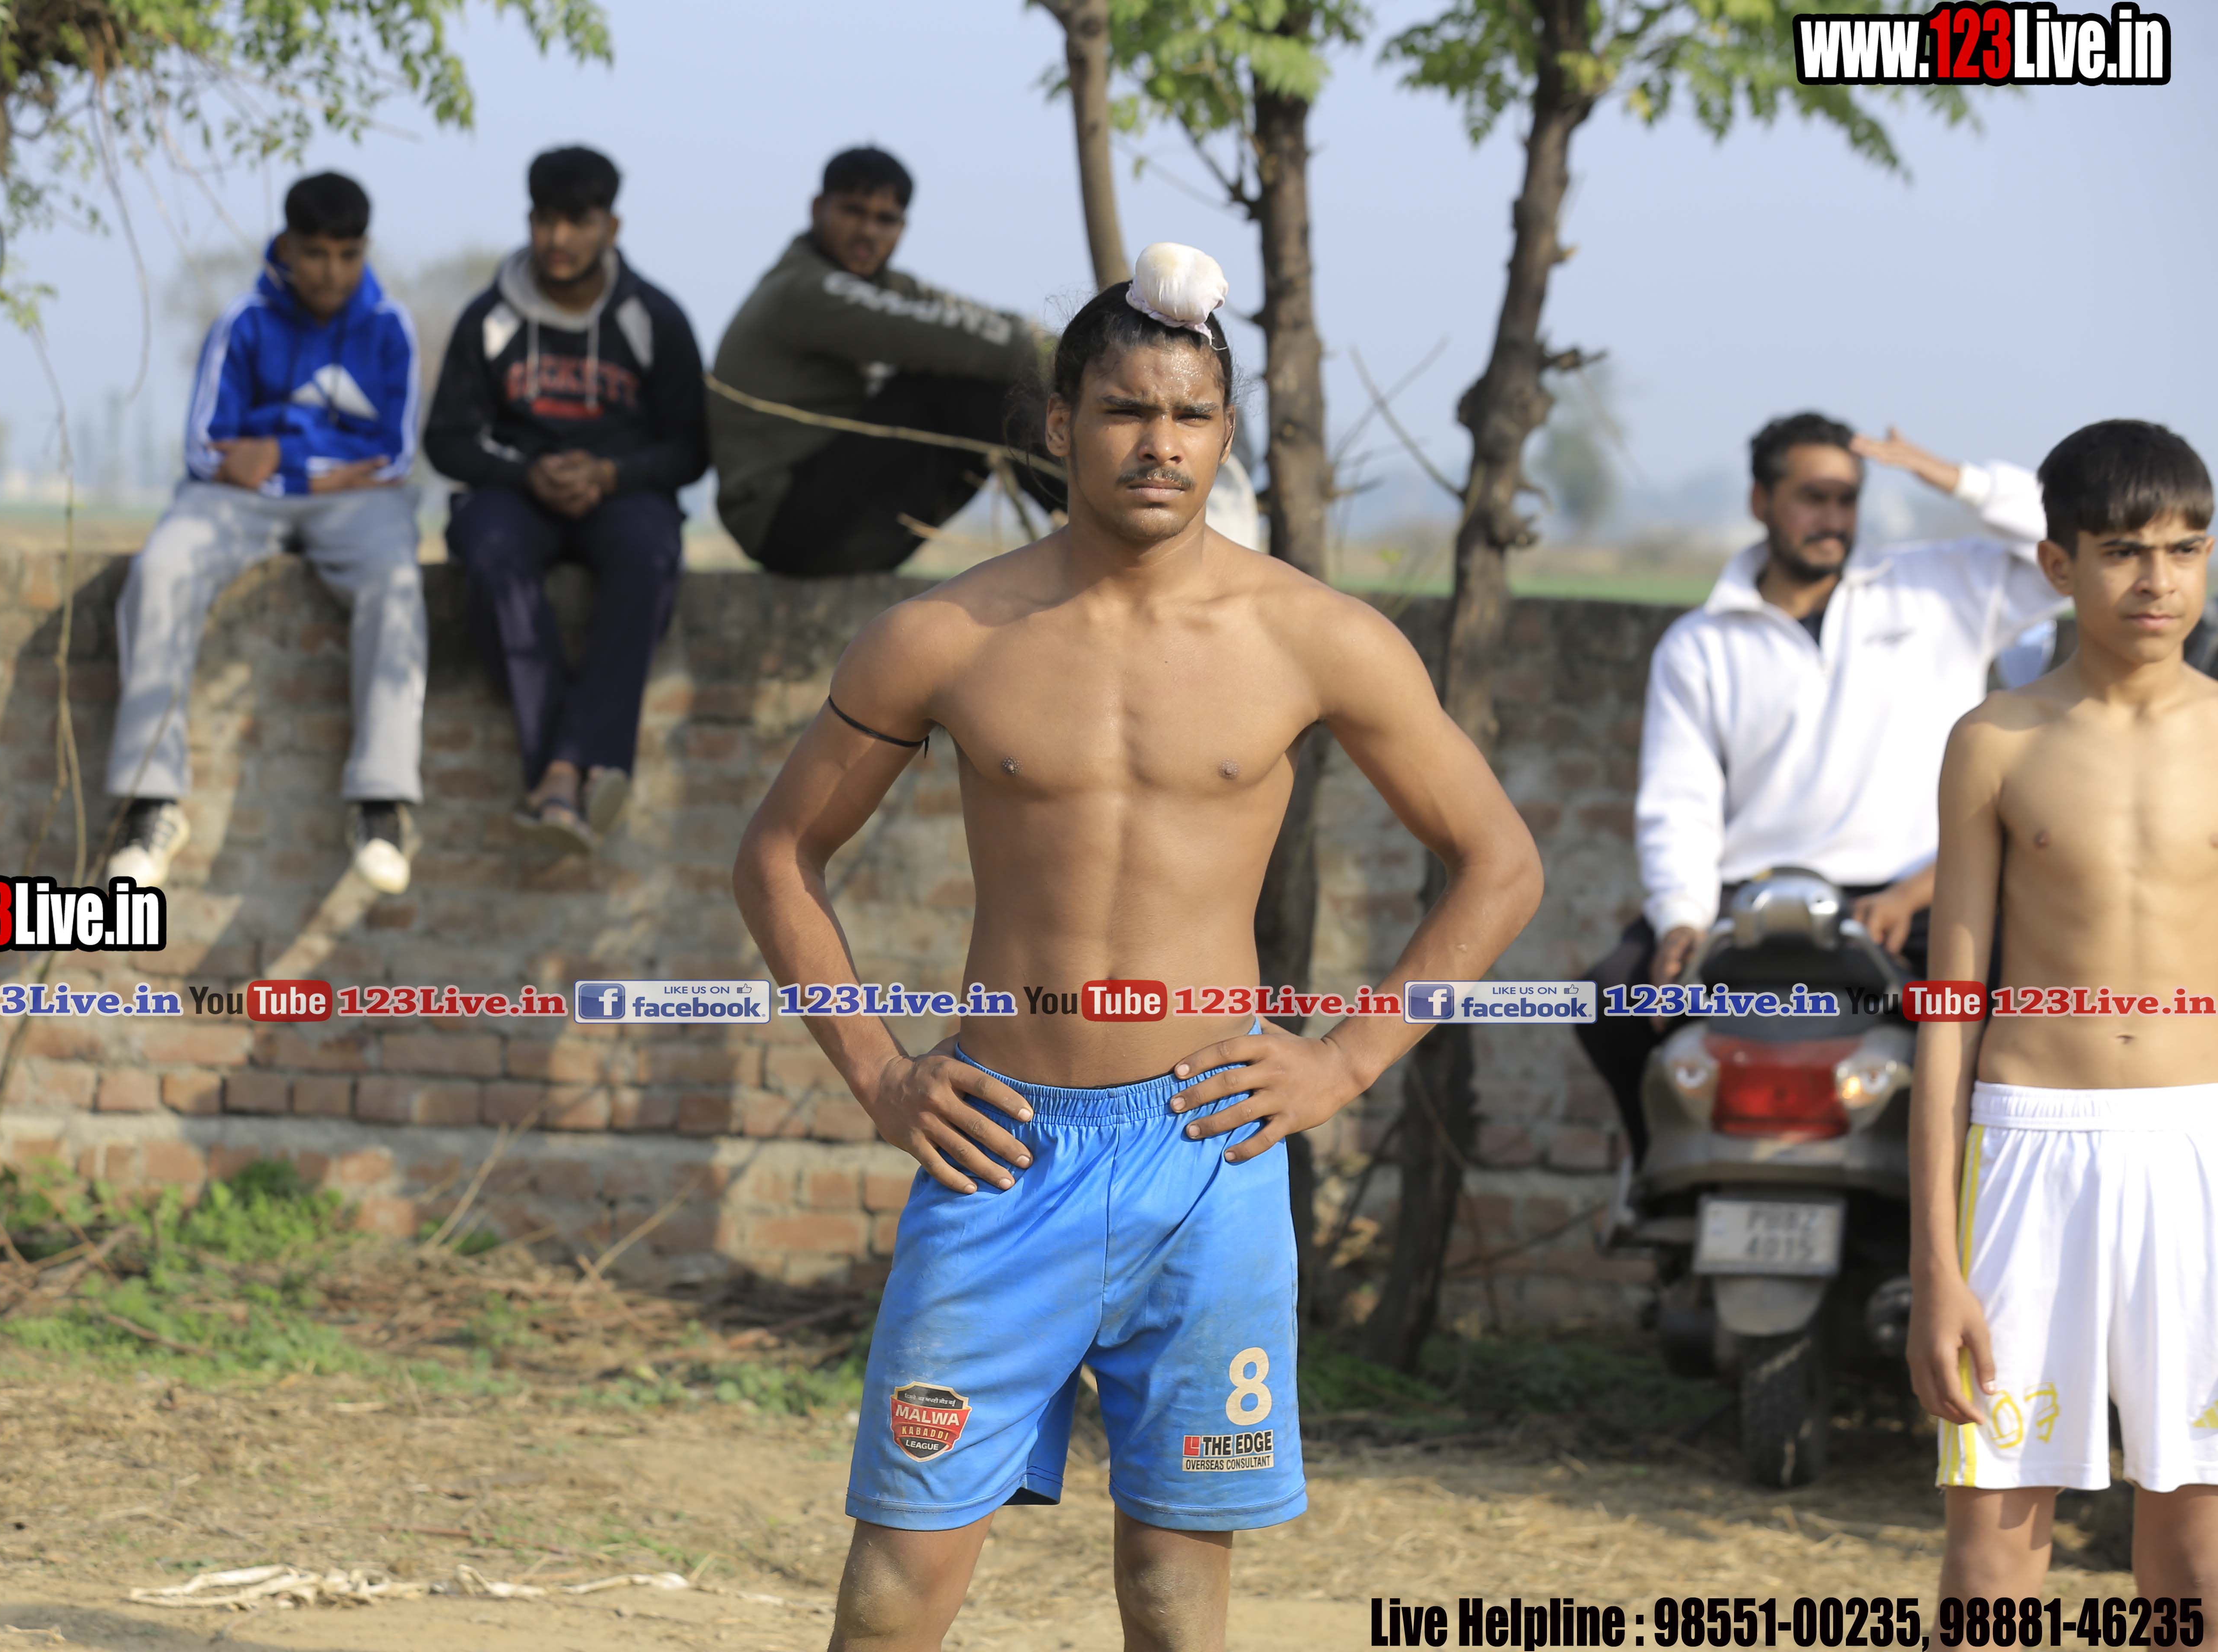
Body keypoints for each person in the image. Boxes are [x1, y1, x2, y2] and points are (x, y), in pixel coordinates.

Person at [731, 245, 1542, 1652]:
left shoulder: (1316, 638)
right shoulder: (942, 636)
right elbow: (776, 854)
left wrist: (1345, 1063)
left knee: (1175, 1594)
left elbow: (1501, 862)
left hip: (1206, 1151)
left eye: (1190, 415)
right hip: (998, 1150)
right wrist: (879, 1074)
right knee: (897, 1592)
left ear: (1226, 433)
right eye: (1124, 410)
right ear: (1061, 425)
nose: (1159, 443)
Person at [1574, 414, 2067, 1162]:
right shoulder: (1699, 643)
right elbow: (1679, 802)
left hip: (1920, 898)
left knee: (2028, 1010)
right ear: (1760, 501)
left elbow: (2071, 538)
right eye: (1812, 497)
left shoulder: (1937, 587)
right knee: (1613, 999)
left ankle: (1979, 1201)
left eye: (1847, 498)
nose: (1833, 519)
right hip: (1753, 902)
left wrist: (1955, 479)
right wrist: (1681, 919)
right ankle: (1661, 1185)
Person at [1906, 419, 2218, 1596]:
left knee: (2197, 1547)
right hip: (2026, 1153)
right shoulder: (1992, 743)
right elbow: (1948, 1010)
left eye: (2185, 549)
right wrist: (1934, 1263)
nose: (2157, 581)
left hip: (2199, 1150)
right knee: (1991, 1541)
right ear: (2057, 563)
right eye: (2123, 550)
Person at [107, 172, 424, 895]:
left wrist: (280, 457)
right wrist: (317, 469)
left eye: (348, 255)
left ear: (365, 251)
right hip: (240, 503)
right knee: (161, 570)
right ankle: (151, 803)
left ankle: (380, 803)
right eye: (316, 254)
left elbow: (396, 456)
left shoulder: (389, 327)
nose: (332, 272)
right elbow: (204, 450)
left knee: (397, 584)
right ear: (285, 246)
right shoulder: (243, 322)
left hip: (351, 504)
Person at [427, 146, 708, 849]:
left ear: (610, 228)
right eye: (545, 220)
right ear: (529, 220)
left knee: (648, 552)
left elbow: (690, 449)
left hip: (621, 495)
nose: (558, 239)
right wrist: (528, 473)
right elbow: (447, 441)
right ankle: (586, 765)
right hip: (516, 494)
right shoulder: (489, 319)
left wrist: (610, 475)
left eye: (578, 222)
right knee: (490, 551)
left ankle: (557, 774)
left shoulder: (655, 318)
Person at [710, 145, 1059, 578]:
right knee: (961, 383)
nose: (868, 232)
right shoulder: (803, 290)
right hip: (785, 522)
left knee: (987, 373)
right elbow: (964, 341)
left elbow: (986, 324)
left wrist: (1069, 352)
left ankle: (1087, 518)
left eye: (885, 220)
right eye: (853, 212)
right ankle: (1093, 525)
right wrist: (1085, 359)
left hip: (844, 508)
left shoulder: (889, 288)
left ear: (902, 227)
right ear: (818, 209)